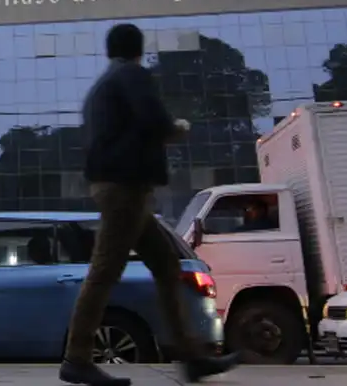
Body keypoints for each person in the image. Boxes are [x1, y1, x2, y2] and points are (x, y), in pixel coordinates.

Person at [59, 24, 239, 386]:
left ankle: (191, 356)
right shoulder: (132, 75)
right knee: (105, 271)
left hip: (120, 188)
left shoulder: (99, 89)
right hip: (125, 189)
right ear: (138, 49)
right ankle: (76, 358)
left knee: (167, 264)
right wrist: (179, 127)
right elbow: (153, 120)